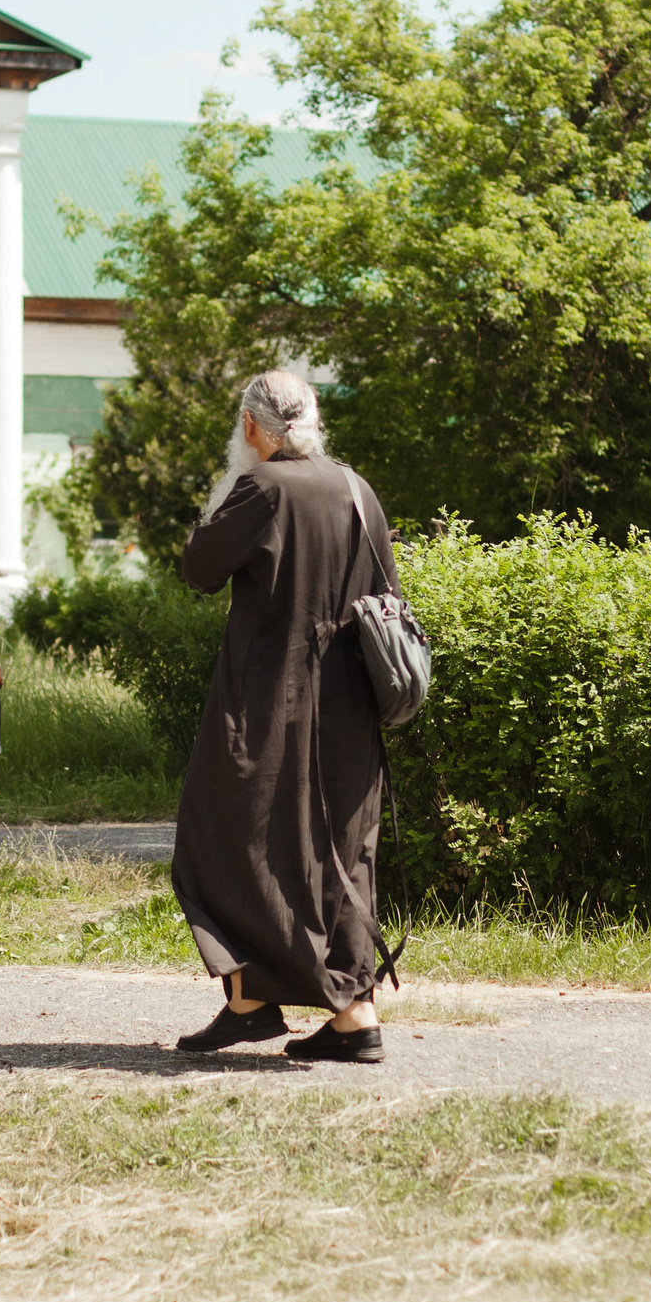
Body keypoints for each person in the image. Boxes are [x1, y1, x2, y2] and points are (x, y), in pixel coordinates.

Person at [169, 370, 397, 1064]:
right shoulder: (357, 488)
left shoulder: (261, 487)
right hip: (350, 704)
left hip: (267, 702)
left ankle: (248, 998)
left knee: (218, 836)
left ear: (250, 426)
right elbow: (386, 588)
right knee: (340, 849)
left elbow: (198, 568)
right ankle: (354, 1016)